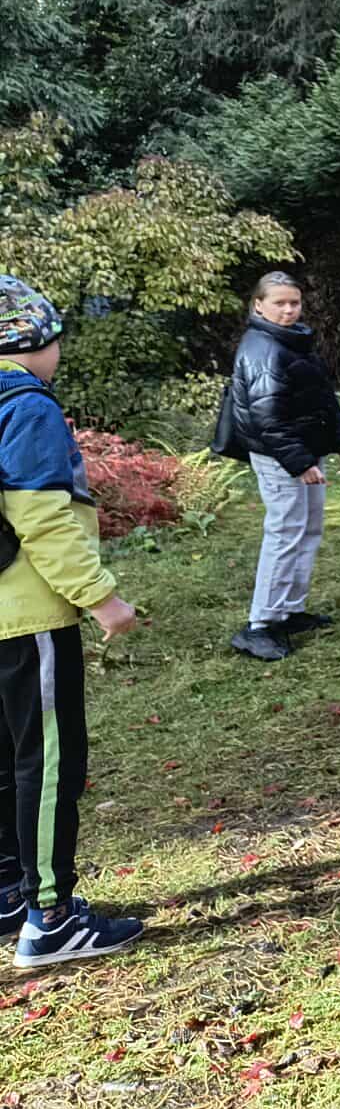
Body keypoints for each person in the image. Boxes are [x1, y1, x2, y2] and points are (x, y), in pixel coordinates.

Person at [0, 274, 146, 967]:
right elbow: (43, 518)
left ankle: (8, 890)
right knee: (49, 762)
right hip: (29, 615)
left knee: (6, 758)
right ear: (35, 339)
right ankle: (51, 918)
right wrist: (101, 598)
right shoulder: (24, 404)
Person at [211, 271, 340, 662]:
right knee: (285, 534)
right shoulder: (263, 349)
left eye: (295, 302)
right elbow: (266, 419)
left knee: (307, 530)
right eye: (280, 303)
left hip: (304, 452)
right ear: (259, 305)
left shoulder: (293, 339)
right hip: (281, 458)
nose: (289, 310)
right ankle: (260, 625)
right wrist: (300, 463)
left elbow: (322, 395)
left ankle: (288, 611)